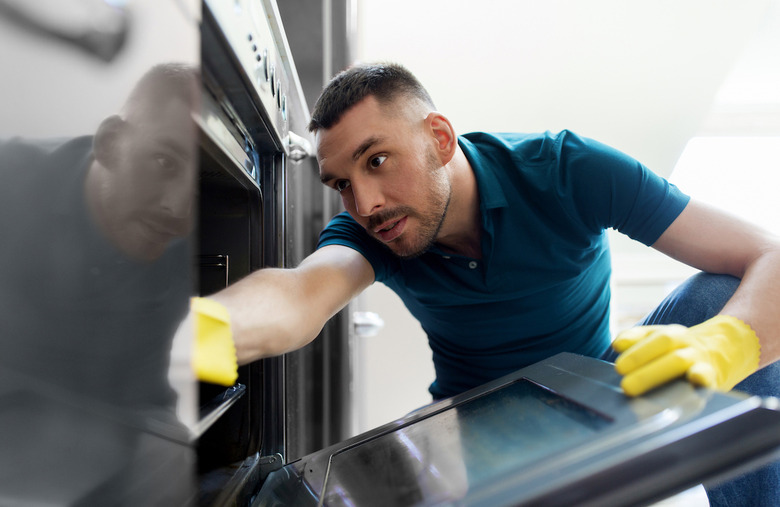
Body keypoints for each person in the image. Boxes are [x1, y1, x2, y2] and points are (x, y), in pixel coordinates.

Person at [204, 62, 780, 505]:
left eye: (376, 160)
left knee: (719, 293)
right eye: (342, 184)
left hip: (596, 388)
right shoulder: (371, 231)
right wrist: (194, 334)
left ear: (440, 137)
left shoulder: (567, 170)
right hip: (476, 431)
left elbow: (769, 253)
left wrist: (729, 345)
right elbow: (299, 296)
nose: (366, 202)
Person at [0, 63, 199, 505]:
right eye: (164, 162)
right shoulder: (10, 183)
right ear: (110, 144)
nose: (179, 207)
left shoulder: (198, 241)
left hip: (135, 444)